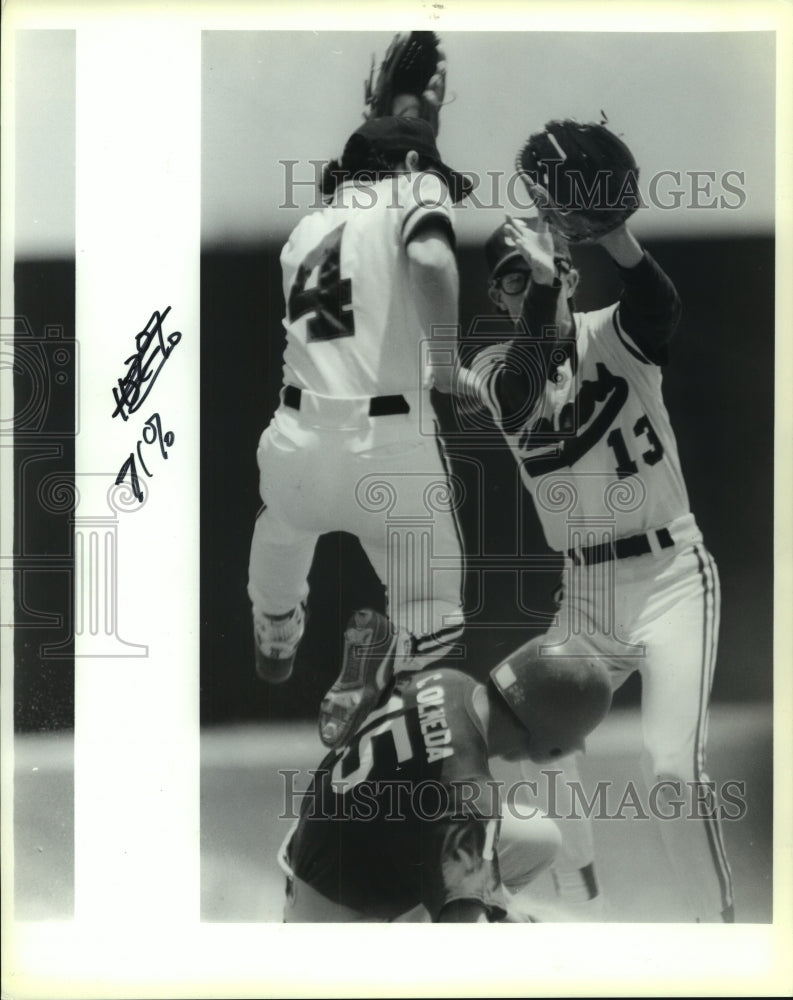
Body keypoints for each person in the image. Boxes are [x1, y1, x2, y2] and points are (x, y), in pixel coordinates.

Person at [450, 210, 735, 923]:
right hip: (586, 597)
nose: (523, 286)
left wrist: (615, 235)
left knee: (670, 770)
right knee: (509, 728)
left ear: (571, 273)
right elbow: (533, 365)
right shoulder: (495, 373)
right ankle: (574, 900)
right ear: (500, 297)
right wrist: (542, 274)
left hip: (671, 578)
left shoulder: (617, 330)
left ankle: (719, 939)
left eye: (538, 268)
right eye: (509, 277)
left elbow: (658, 304)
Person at [247, 116, 472, 750]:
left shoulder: (304, 232)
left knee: (283, 526)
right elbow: (428, 257)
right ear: (407, 165)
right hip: (391, 445)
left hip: (298, 438)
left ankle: (276, 620)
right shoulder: (414, 189)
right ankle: (381, 695)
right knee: (432, 625)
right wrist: (450, 363)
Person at [278, 638, 612, 922]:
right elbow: (462, 941)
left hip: (316, 859)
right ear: (552, 747)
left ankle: (482, 896)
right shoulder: (468, 794)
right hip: (336, 934)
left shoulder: (449, 681)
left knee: (538, 836)